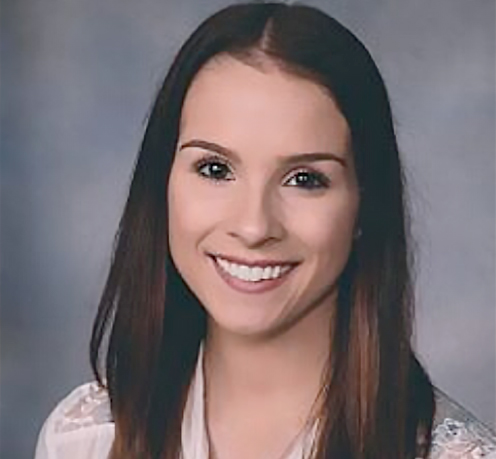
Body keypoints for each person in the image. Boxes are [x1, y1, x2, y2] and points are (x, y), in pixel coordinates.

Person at [34, 2, 496, 459]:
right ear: (163, 184)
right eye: (215, 169)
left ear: (364, 206)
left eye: (304, 179)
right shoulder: (83, 442)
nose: (254, 226)